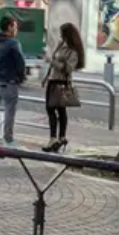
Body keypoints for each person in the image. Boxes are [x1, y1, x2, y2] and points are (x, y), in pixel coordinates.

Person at [43, 23, 87, 153]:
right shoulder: (61, 44)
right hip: (53, 79)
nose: (60, 35)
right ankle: (60, 137)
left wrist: (51, 61)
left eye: (62, 33)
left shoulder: (73, 51)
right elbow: (53, 62)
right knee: (58, 110)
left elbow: (68, 68)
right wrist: (46, 77)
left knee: (52, 109)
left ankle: (54, 138)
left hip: (61, 81)